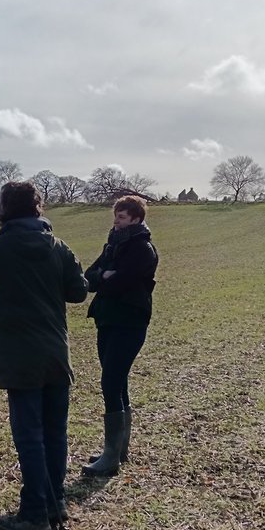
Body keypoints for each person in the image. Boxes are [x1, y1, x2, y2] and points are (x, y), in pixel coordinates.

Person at [0, 182, 88, 530]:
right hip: (57, 355)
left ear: (4, 211)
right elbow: (78, 291)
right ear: (38, 208)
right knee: (55, 434)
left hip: (20, 358)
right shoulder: (58, 247)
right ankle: (55, 506)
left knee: (30, 436)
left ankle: (34, 515)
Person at [81, 195, 159, 476]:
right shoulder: (112, 245)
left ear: (136, 218)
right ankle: (118, 450)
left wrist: (105, 279)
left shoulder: (143, 249)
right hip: (107, 320)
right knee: (117, 380)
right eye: (115, 216)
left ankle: (111, 457)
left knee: (111, 381)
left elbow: (121, 285)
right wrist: (105, 275)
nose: (116, 221)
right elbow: (89, 278)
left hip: (130, 322)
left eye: (122, 217)